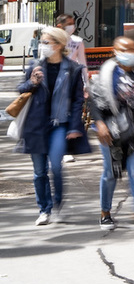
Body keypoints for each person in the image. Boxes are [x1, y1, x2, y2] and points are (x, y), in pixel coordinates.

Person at [12, 26, 89, 225]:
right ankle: (44, 209)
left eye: (47, 42)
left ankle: (57, 203)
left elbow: (78, 100)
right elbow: (20, 89)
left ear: (59, 45)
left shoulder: (73, 68)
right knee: (39, 171)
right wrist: (32, 82)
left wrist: (74, 127)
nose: (42, 46)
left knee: (56, 165)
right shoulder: (35, 65)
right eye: (42, 42)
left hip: (59, 124)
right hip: (36, 124)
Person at [88, 36, 134, 232]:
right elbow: (94, 102)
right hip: (112, 129)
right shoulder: (106, 73)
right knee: (110, 173)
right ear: (115, 51)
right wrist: (100, 123)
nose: (130, 54)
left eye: (133, 50)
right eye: (125, 50)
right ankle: (105, 213)